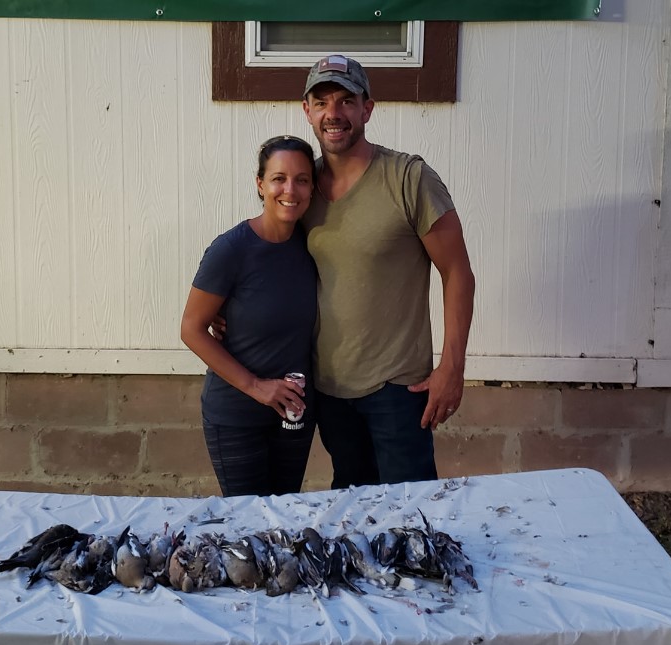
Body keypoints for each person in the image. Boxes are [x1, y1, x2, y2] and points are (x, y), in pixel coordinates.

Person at [301, 54, 476, 489]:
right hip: (329, 387)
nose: (333, 113)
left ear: (367, 109)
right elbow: (273, 265)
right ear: (307, 111)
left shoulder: (407, 178)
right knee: (352, 508)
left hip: (398, 389)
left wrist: (452, 368)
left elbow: (457, 272)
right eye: (321, 102)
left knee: (409, 515)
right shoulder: (301, 187)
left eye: (346, 100)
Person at [180, 136, 319, 497]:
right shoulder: (232, 249)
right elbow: (192, 329)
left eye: (302, 179)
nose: (290, 189)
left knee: (283, 524)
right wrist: (257, 387)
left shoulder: (314, 244)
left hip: (294, 413)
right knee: (248, 529)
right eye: (278, 178)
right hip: (237, 414)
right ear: (260, 184)